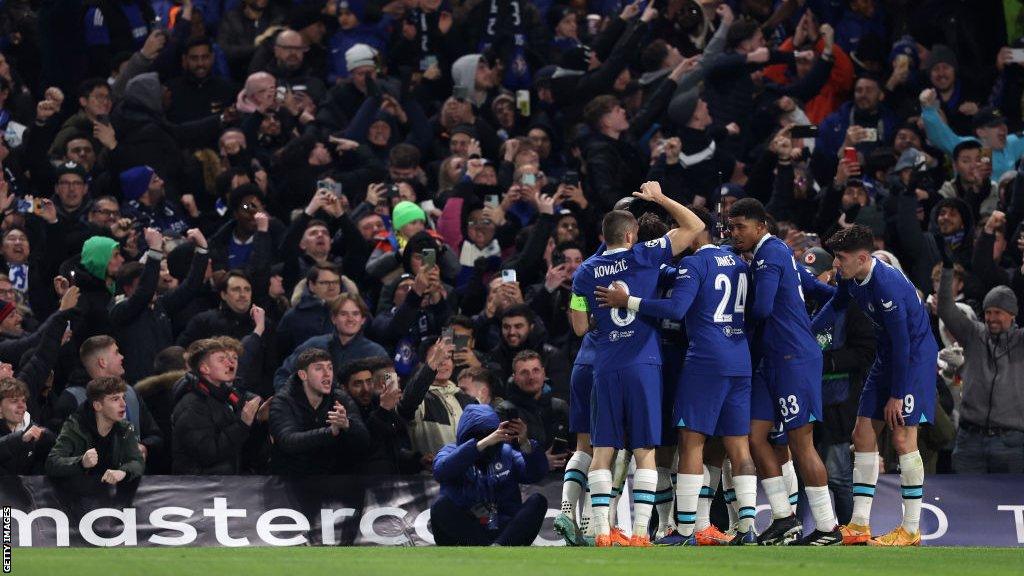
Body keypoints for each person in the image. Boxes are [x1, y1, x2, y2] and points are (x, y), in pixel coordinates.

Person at [595, 206, 762, 546]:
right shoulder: (738, 263)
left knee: (691, 441)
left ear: (701, 230)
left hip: (706, 361)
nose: (679, 237)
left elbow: (675, 310)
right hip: (739, 359)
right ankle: (748, 527)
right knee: (738, 446)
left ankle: (685, 530)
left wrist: (630, 301)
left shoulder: (694, 263)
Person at [569, 181, 704, 547]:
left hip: (605, 366)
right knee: (645, 450)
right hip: (643, 365)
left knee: (602, 451)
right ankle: (642, 533)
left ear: (603, 235)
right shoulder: (644, 255)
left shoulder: (584, 272)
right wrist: (660, 198)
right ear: (631, 234)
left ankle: (599, 530)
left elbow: (579, 324)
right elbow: (693, 227)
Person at [728, 197, 841, 545]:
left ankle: (827, 526)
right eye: (731, 228)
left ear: (761, 225)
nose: (734, 234)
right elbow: (821, 292)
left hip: (792, 359)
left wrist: (730, 323)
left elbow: (761, 308)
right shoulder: (779, 255)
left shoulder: (770, 254)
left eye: (740, 227)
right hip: (772, 360)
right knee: (753, 435)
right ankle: (784, 518)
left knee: (800, 442)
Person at [823, 224, 940, 546]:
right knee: (862, 434)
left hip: (913, 360)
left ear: (862, 258)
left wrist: (897, 395)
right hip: (888, 357)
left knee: (903, 438)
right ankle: (859, 524)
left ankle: (912, 528)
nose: (836, 264)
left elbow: (904, 344)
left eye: (841, 258)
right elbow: (835, 305)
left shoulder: (886, 284)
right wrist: (805, 331)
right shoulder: (853, 278)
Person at [937, 227, 1024, 473]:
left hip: (1012, 444)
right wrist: (946, 268)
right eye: (988, 312)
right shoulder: (974, 334)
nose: (991, 318)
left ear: (1012, 314)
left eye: (998, 313)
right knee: (965, 508)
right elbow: (946, 309)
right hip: (969, 442)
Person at [430, 404, 548, 546]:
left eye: (491, 433)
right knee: (439, 506)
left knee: (538, 501)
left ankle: (498, 547)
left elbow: (535, 474)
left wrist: (525, 443)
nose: (491, 438)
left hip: (502, 529)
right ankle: (487, 549)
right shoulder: (450, 450)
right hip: (465, 530)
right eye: (480, 434)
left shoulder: (506, 452)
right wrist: (480, 445)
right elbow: (440, 471)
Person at [269, 348, 369, 475]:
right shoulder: (283, 401)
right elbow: (288, 441)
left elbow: (364, 441)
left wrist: (348, 424)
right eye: (319, 368)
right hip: (291, 479)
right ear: (303, 375)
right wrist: (330, 432)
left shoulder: (339, 397)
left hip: (332, 477)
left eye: (330, 368)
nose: (327, 374)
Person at [171, 336, 263, 474]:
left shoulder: (227, 395)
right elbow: (208, 454)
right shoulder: (192, 405)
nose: (229, 363)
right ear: (205, 368)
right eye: (222, 360)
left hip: (223, 482)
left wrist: (258, 417)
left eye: (230, 358)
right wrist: (242, 423)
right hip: (200, 488)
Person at [45, 377, 145, 492]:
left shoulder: (125, 428)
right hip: (76, 495)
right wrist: (81, 462)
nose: (123, 404)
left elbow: (138, 462)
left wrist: (123, 472)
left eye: (123, 398)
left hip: (111, 496)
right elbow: (52, 463)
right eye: (115, 399)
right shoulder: (75, 427)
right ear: (98, 406)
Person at [0, 377, 55, 474]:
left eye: (24, 401)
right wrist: (20, 439)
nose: (22, 406)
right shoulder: (23, 435)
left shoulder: (29, 425)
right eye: (14, 401)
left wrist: (45, 436)